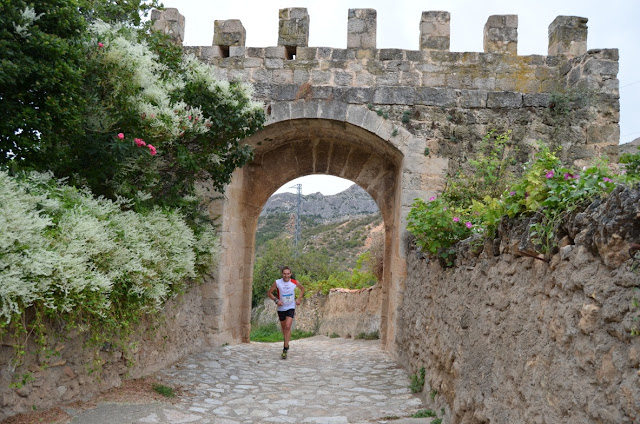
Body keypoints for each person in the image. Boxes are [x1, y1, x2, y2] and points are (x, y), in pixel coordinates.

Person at [267, 266, 305, 359]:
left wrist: (299, 299)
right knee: (284, 329)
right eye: (284, 274)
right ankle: (287, 343)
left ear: (290, 274)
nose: (286, 276)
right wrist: (276, 300)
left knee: (288, 326)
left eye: (288, 274)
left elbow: (302, 289)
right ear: (282, 274)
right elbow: (269, 293)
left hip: (291, 307)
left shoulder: (294, 282)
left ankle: (285, 348)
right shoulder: (277, 282)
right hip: (281, 308)